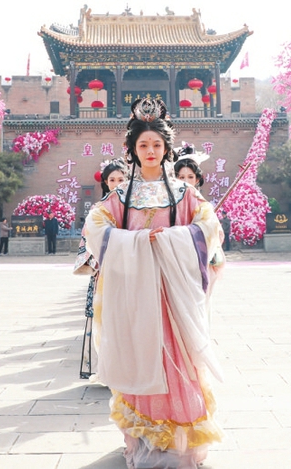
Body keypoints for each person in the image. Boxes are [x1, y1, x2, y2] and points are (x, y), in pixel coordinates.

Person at [83, 98, 224, 469]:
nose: (150, 151)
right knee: (140, 356)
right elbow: (95, 227)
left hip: (173, 295)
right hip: (136, 296)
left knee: (180, 361)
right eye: (143, 145)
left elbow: (209, 226)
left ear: (167, 150)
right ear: (132, 150)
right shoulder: (121, 196)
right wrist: (135, 243)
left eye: (156, 145)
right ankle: (144, 439)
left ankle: (181, 445)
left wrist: (175, 238)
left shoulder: (183, 192)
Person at [74, 158, 128, 380]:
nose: (116, 183)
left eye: (121, 179)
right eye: (112, 180)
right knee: (106, 320)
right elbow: (88, 239)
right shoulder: (99, 208)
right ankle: (109, 368)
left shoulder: (136, 206)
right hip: (106, 271)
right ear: (105, 182)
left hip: (133, 269)